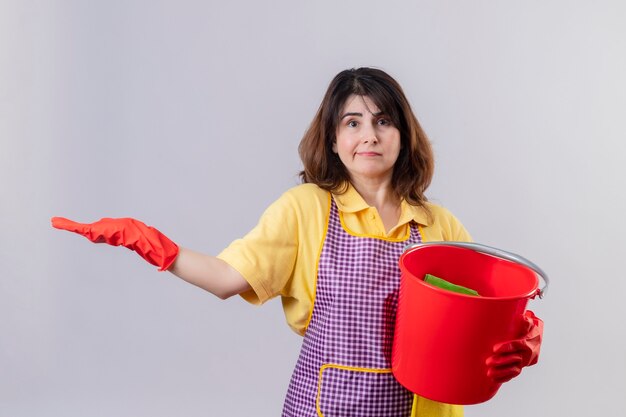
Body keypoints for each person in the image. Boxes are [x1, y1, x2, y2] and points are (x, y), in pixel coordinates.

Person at [52, 67, 543, 417]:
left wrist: (518, 338)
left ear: (403, 135)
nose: (368, 135)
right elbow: (228, 279)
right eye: (353, 122)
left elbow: (481, 321)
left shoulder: (441, 226)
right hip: (325, 408)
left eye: (383, 120)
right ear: (332, 139)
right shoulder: (306, 209)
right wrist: (155, 246)